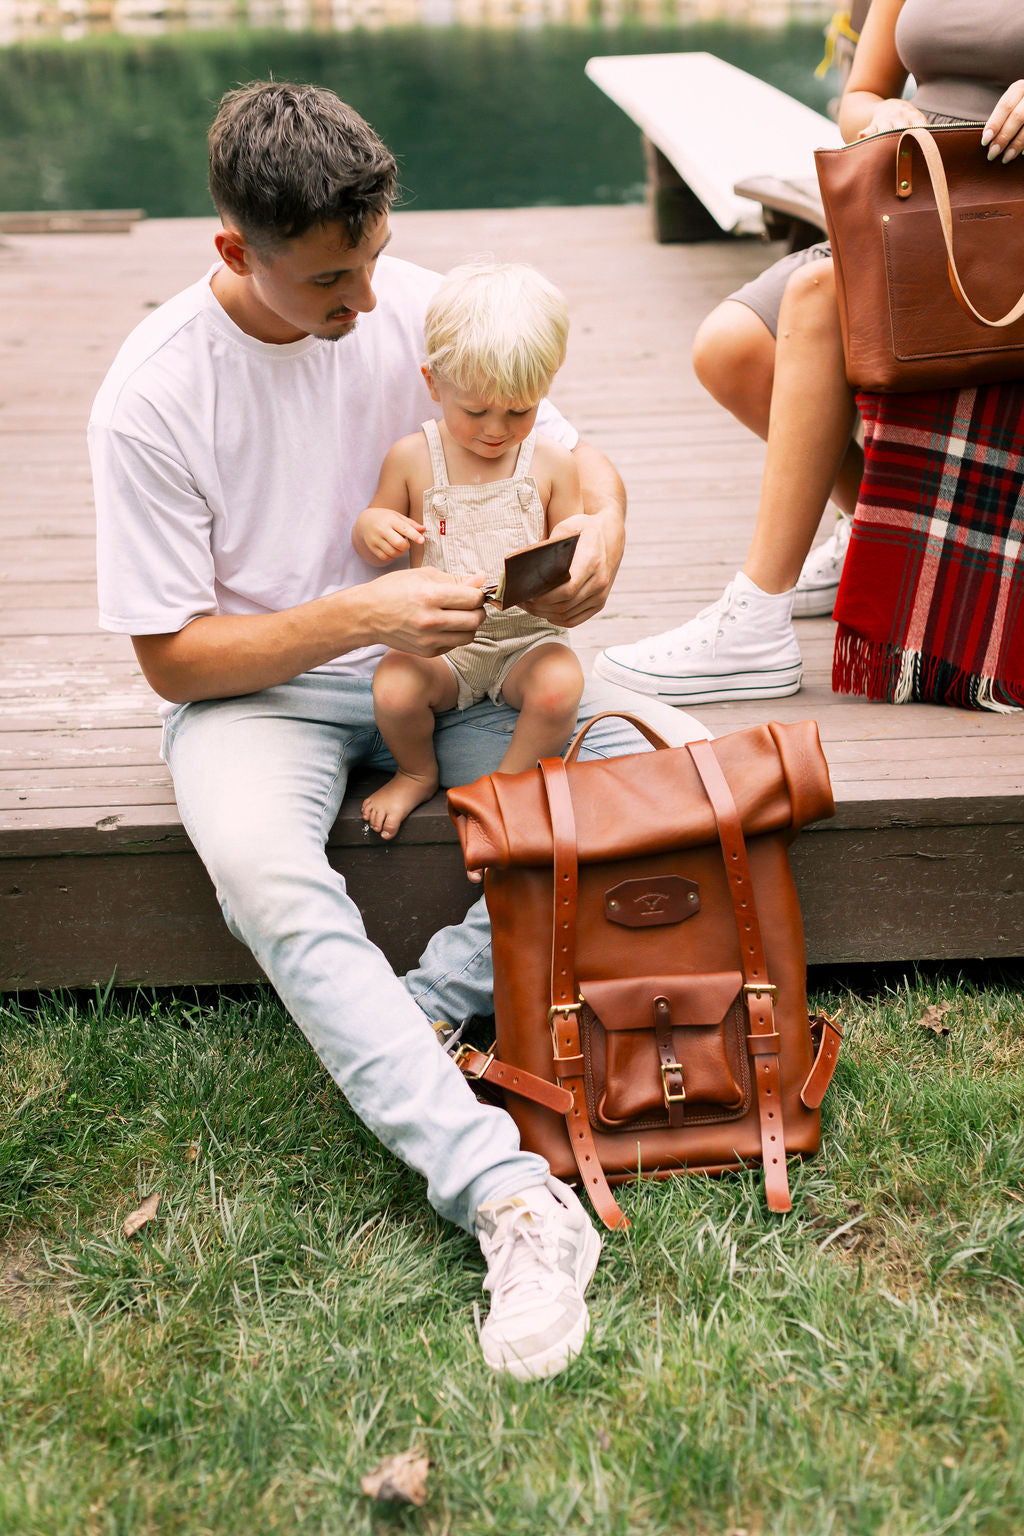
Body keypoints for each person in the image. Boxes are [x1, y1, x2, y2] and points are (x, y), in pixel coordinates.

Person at [87, 81, 710, 1383]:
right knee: (266, 874)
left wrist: (604, 529)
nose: (369, 302)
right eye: (329, 281)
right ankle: (505, 1197)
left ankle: (428, 1002)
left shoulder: (416, 302)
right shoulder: (152, 394)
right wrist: (354, 612)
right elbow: (169, 656)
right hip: (255, 692)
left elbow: (587, 460)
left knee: (597, 778)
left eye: (374, 257)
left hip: (458, 673)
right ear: (232, 253)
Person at [595, 0, 1024, 706]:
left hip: (1005, 225)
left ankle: (755, 622)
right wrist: (883, 115)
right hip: (911, 206)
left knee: (819, 293)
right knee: (729, 349)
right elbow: (857, 97)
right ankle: (870, 526)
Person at [355, 260, 585, 840]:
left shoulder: (552, 463)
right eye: (476, 411)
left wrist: (572, 559)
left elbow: (572, 534)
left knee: (561, 687)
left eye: (520, 411)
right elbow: (374, 517)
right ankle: (416, 770)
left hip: (525, 640)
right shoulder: (413, 457)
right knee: (395, 686)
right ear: (433, 385)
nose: (496, 430)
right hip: (444, 642)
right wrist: (376, 527)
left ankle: (510, 788)